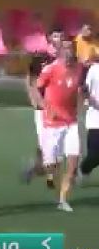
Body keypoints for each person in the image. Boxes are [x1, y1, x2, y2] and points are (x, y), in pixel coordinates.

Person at [36, 39, 82, 212]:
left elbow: (79, 89)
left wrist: (80, 103)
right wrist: (46, 108)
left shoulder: (78, 68)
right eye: (66, 48)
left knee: (73, 162)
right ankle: (41, 169)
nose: (69, 51)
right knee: (53, 165)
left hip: (71, 122)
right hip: (53, 123)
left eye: (71, 48)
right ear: (61, 51)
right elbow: (36, 88)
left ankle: (63, 199)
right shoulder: (51, 69)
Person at [20, 52, 57, 189]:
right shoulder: (33, 79)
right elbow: (36, 98)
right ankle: (46, 174)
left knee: (48, 144)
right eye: (43, 63)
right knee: (46, 143)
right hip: (42, 113)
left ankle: (40, 169)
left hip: (48, 112)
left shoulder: (48, 76)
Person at [79, 50, 99, 184]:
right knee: (94, 155)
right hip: (95, 120)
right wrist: (92, 101)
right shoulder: (94, 70)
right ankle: (84, 169)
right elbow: (85, 89)